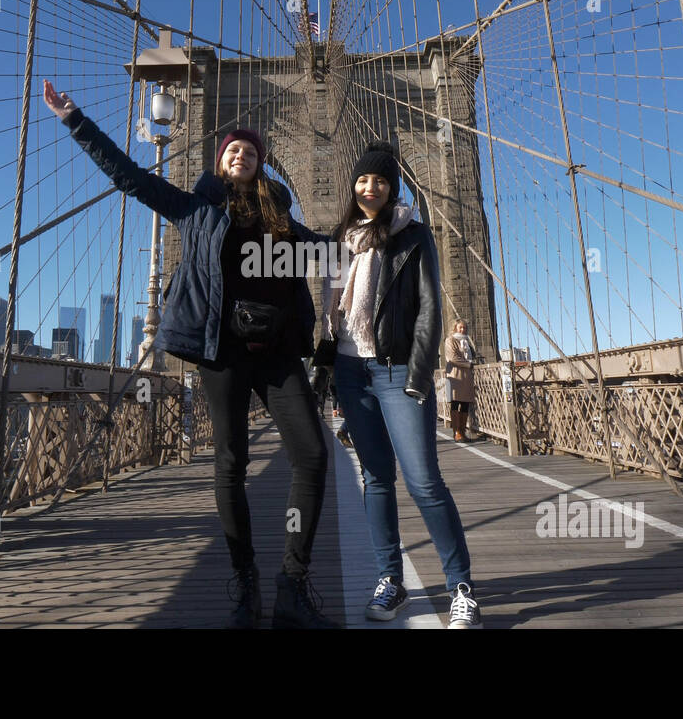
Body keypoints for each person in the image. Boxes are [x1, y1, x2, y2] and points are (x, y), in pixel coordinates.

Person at [43, 80, 337, 629]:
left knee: (313, 455)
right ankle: (246, 583)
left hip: (277, 353)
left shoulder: (282, 219)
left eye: (250, 151)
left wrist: (374, 235)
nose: (241, 155)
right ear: (221, 161)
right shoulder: (196, 209)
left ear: (261, 162)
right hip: (219, 350)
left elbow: (328, 251)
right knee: (231, 464)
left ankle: (291, 586)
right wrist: (75, 120)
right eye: (232, 150)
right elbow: (129, 178)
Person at [320, 139, 482, 629]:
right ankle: (392, 581)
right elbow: (327, 311)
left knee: (425, 482)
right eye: (365, 179)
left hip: (395, 370)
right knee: (376, 479)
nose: (371, 187)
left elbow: (432, 307)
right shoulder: (338, 238)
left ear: (392, 189)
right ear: (355, 185)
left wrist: (417, 375)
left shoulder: (413, 235)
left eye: (382, 181)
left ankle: (461, 588)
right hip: (351, 372)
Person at [445, 320, 484, 442]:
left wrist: (471, 364)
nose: (463, 330)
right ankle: (456, 432)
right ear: (455, 328)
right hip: (455, 375)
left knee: (466, 403)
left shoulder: (467, 341)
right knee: (456, 402)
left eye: (465, 327)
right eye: (460, 327)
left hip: (467, 376)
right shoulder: (450, 340)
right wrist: (469, 364)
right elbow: (453, 358)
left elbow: (471, 356)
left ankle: (462, 431)